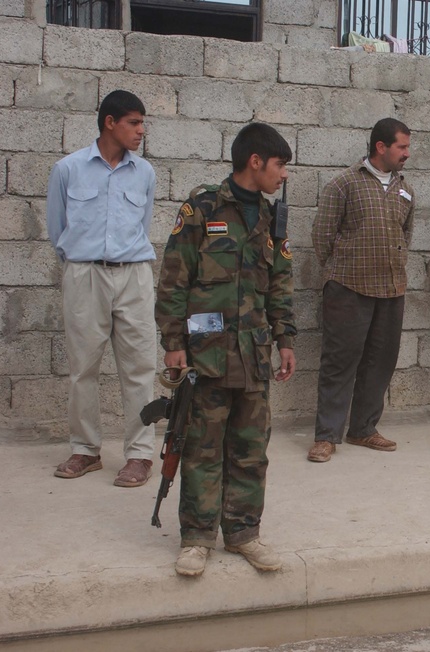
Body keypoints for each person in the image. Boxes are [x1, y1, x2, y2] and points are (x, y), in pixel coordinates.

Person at [155, 123, 297, 577]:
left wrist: (286, 339)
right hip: (207, 355)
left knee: (251, 449)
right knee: (201, 447)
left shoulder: (274, 218)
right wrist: (173, 344)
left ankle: (242, 534)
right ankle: (197, 538)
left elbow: (280, 283)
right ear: (255, 161)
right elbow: (175, 279)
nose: (284, 175)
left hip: (254, 355)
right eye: (279, 165)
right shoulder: (202, 210)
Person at [47, 90, 158, 488]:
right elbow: (57, 229)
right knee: (83, 368)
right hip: (85, 275)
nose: (141, 131)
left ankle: (140, 455)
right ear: (110, 122)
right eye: (134, 122)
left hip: (133, 276)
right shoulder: (68, 169)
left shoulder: (144, 172)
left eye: (142, 123)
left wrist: (124, 262)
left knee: (141, 368)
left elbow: (141, 225)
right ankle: (85, 449)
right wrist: (82, 264)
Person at [307, 118, 414, 464]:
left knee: (380, 363)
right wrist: (340, 271)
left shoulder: (406, 189)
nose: (407, 154)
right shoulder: (344, 184)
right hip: (348, 288)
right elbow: (321, 236)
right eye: (402, 147)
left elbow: (405, 237)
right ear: (381, 147)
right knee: (339, 363)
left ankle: (363, 429)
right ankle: (326, 436)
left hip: (391, 290)